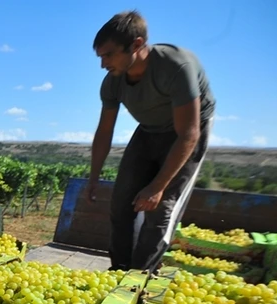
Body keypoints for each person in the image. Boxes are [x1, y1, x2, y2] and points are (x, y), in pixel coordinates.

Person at [88, 10, 216, 273]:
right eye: (100, 57)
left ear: (136, 45)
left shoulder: (175, 67)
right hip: (148, 130)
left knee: (161, 208)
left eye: (109, 55)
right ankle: (120, 271)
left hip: (188, 132)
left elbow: (188, 134)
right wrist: (93, 176)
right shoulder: (112, 82)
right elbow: (104, 132)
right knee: (122, 202)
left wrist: (157, 186)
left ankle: (140, 278)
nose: (103, 64)